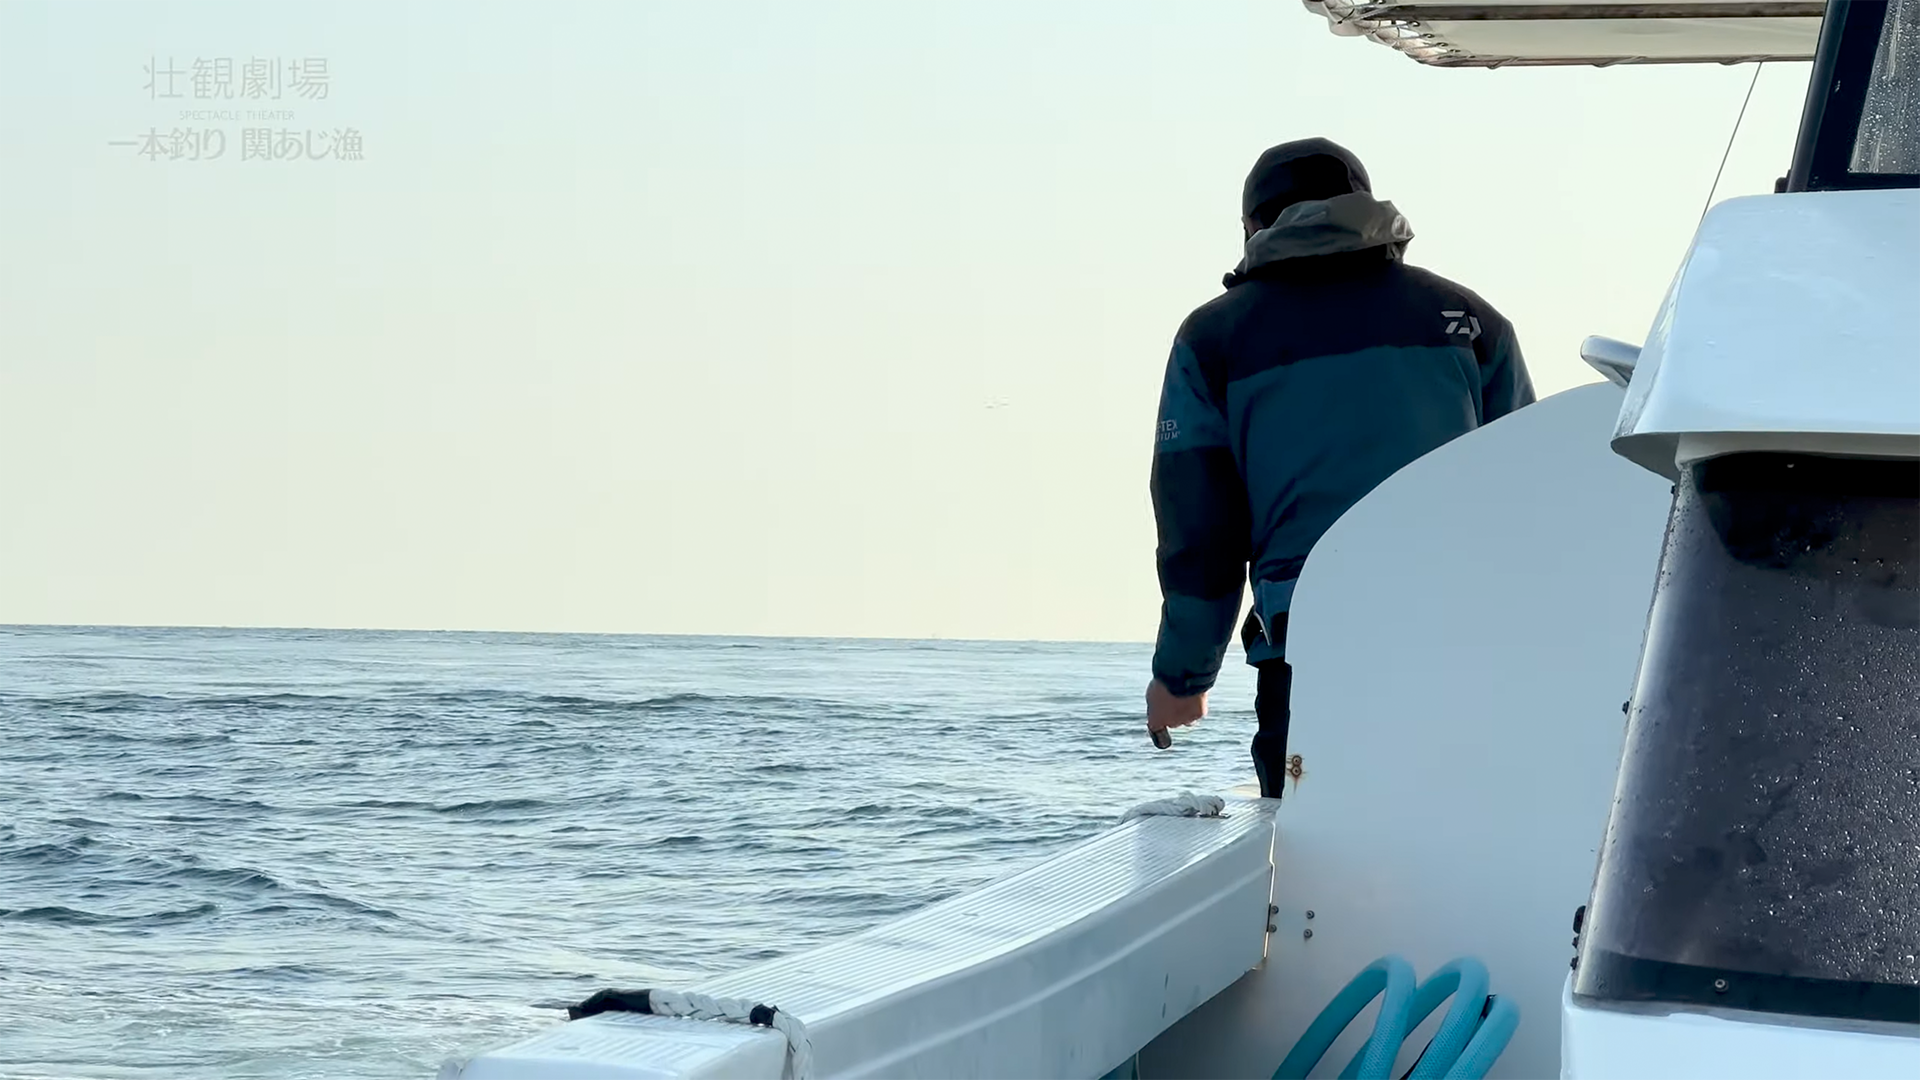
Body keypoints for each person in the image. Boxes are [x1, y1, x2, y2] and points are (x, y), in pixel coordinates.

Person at [1144, 137, 1536, 798]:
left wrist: (1183, 677)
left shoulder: (1213, 338)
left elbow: (1200, 529)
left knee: (1320, 842)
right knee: (1465, 826)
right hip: (1462, 642)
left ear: (1252, 227)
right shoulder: (1470, 321)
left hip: (1311, 645)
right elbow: (1531, 493)